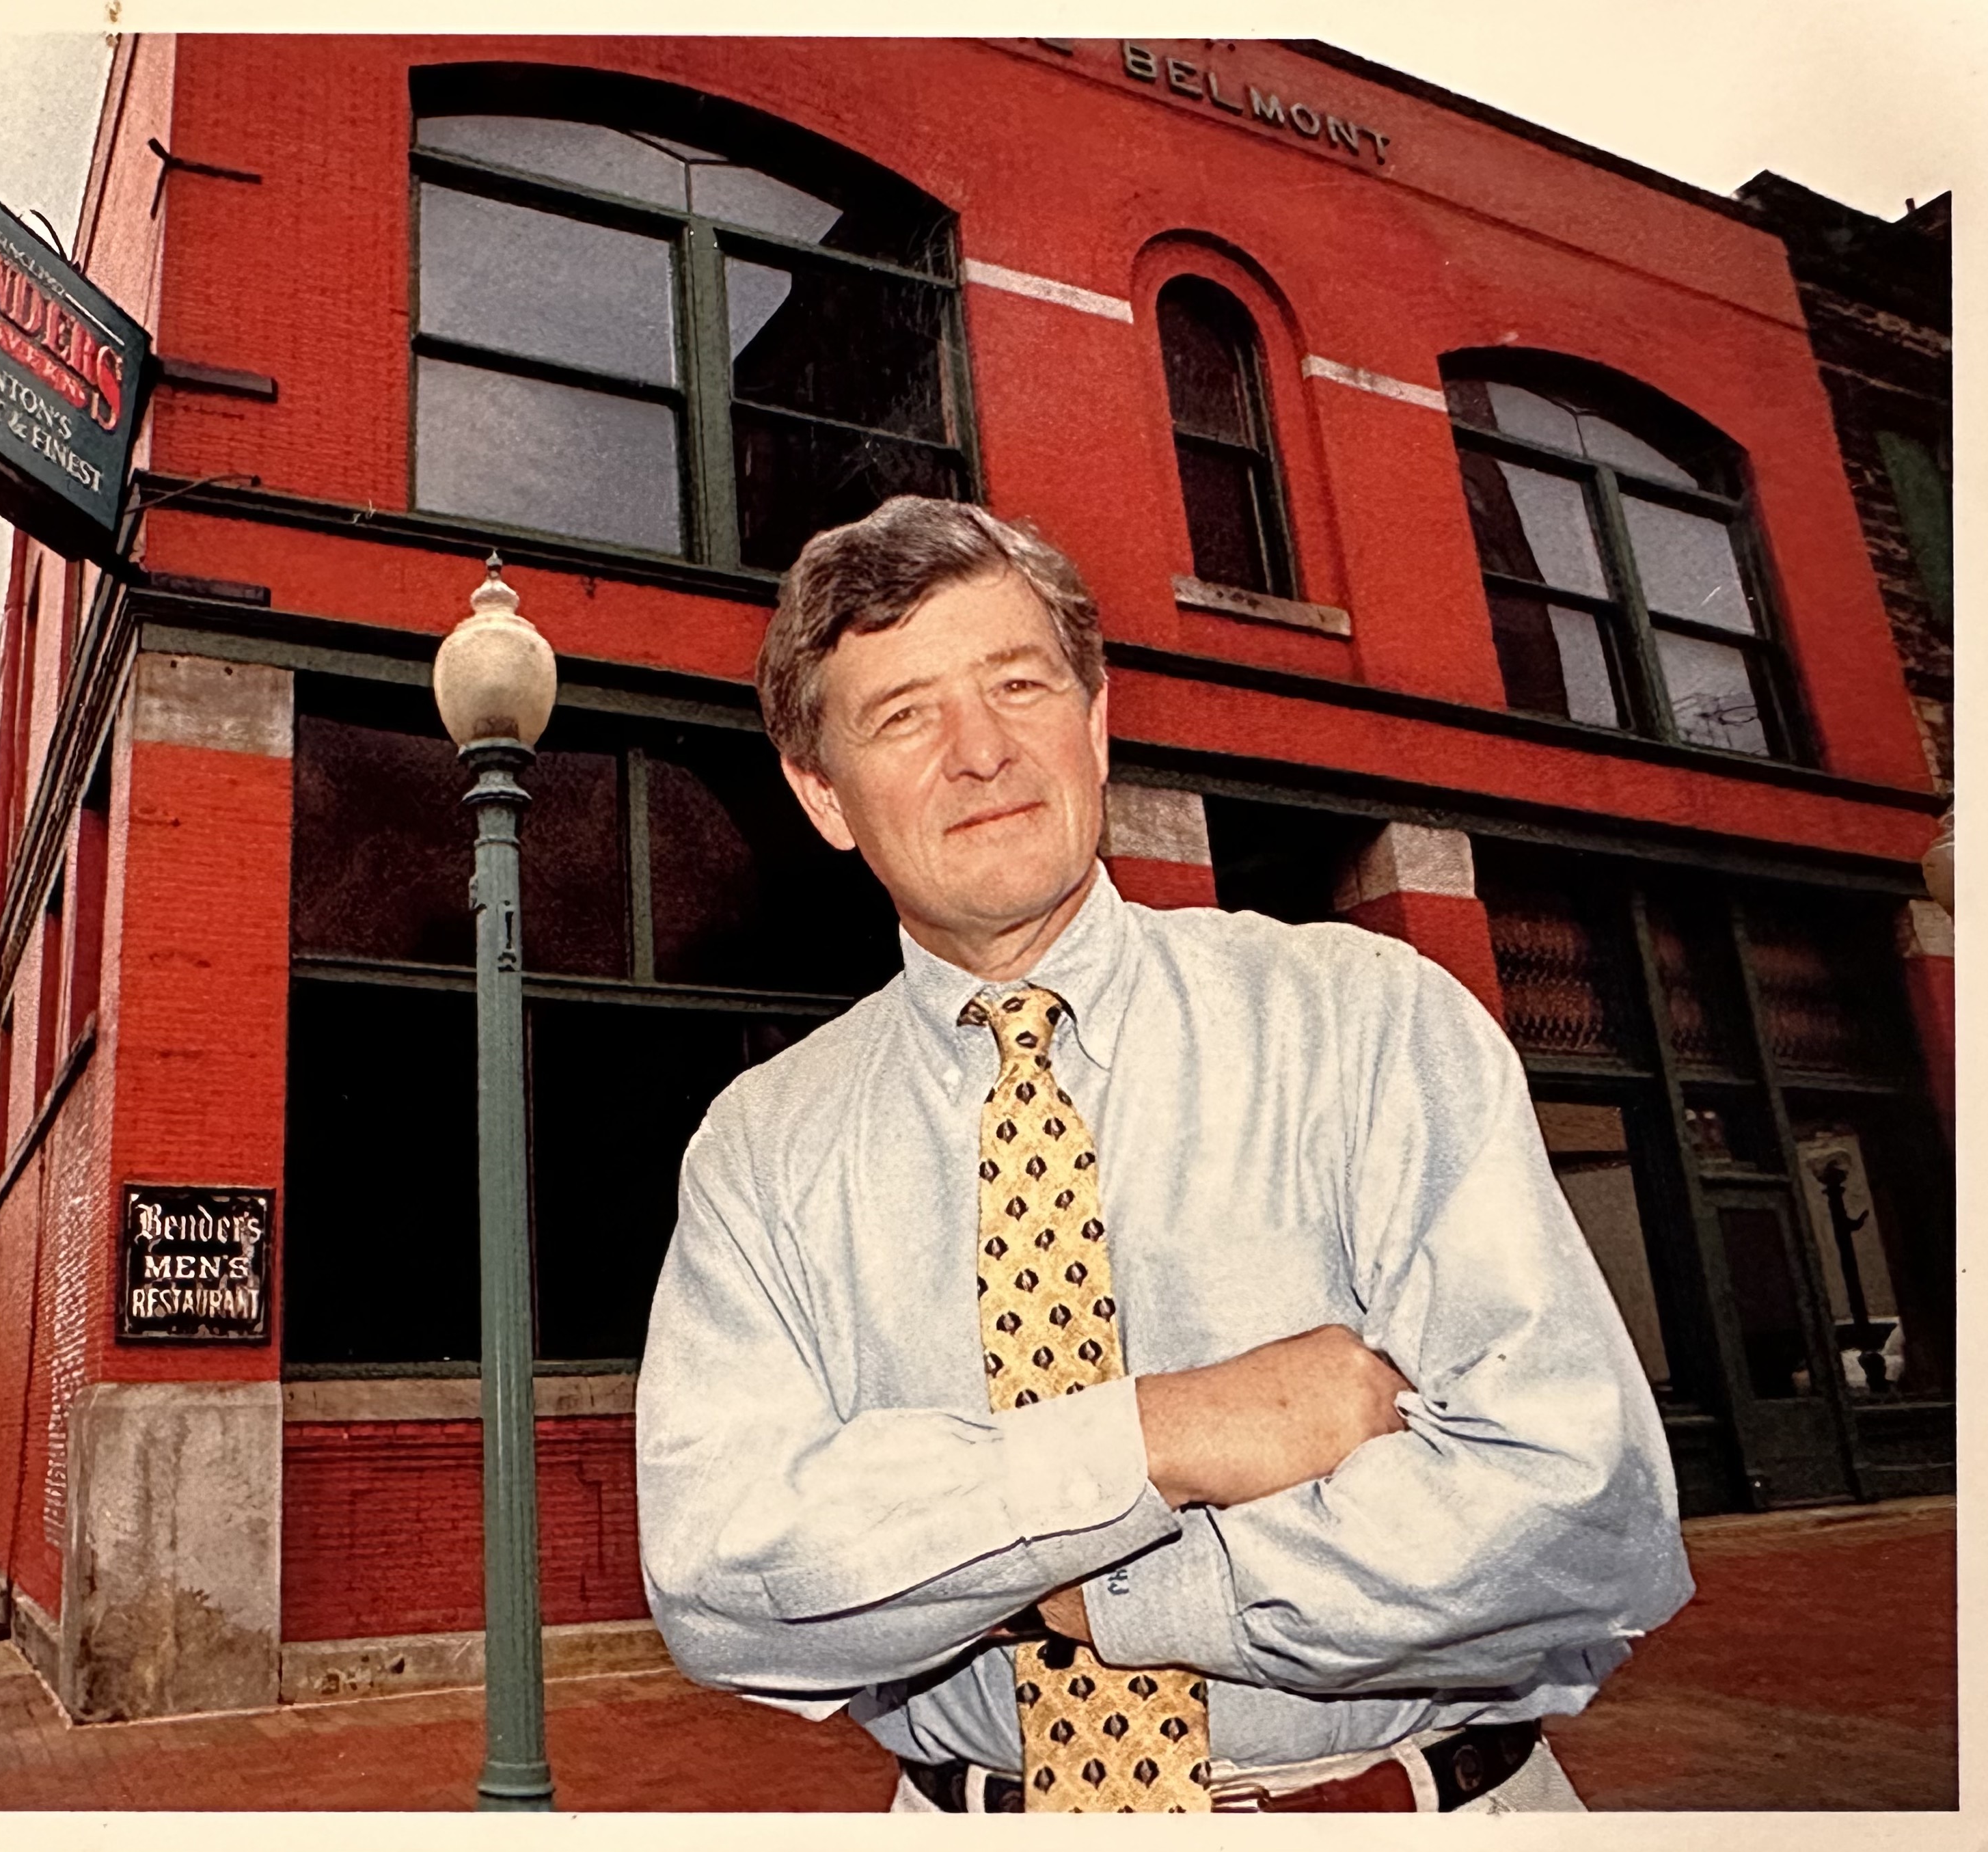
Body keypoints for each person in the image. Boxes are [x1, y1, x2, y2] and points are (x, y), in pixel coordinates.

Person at [634, 496, 1692, 1814]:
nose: (981, 751)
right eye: (903, 715)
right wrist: (1162, 1434)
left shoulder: (1364, 1019)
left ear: (1093, 722)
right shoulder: (760, 1147)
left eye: (1019, 684)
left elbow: (1575, 1502)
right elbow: (724, 1578)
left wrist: (1098, 1586)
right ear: (821, 795)